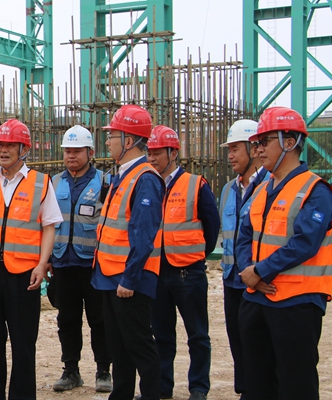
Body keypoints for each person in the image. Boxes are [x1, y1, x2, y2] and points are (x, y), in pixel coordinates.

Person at [236, 106, 332, 400]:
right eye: (257, 143)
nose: (258, 149)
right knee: (257, 384)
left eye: (264, 142)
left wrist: (260, 271)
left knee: (296, 384)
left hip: (296, 303)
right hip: (256, 298)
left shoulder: (316, 190)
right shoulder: (261, 190)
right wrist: (250, 273)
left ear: (290, 142)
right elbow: (244, 236)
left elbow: (305, 242)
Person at [0, 118, 62, 400]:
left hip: (23, 276)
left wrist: (41, 264)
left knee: (23, 345)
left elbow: (49, 226)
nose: (3, 150)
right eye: (0, 145)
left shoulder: (40, 183)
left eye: (9, 145)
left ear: (24, 149)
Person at [91, 104, 164, 400]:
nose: (108, 141)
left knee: (139, 345)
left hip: (129, 280)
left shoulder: (145, 178)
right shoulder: (123, 175)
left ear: (129, 140)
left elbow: (143, 237)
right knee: (118, 346)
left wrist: (130, 279)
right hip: (111, 276)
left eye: (112, 136)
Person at [146, 125, 220, 400]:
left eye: (157, 153)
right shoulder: (147, 184)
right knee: (161, 334)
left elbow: (211, 226)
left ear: (173, 153)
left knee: (197, 334)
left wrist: (195, 255)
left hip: (188, 273)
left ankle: (198, 388)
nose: (152, 158)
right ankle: (162, 386)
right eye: (149, 153)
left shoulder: (195, 184)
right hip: (157, 271)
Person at [49, 125, 112, 393]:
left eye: (77, 151)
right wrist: (48, 258)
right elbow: (46, 224)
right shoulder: (54, 183)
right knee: (67, 320)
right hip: (63, 263)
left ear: (90, 152)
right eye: (67, 151)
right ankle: (71, 371)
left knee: (100, 319)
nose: (71, 156)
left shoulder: (105, 182)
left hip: (94, 266)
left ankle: (103, 371)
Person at [218, 119, 268, 398]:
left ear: (254, 148)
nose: (231, 156)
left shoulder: (270, 185)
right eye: (229, 150)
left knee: (258, 345)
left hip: (257, 280)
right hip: (231, 279)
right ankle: (244, 391)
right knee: (237, 341)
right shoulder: (228, 189)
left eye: (235, 149)